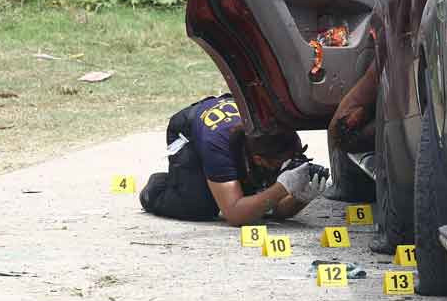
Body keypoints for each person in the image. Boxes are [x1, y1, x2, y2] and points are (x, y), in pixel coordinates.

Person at [140, 95, 327, 226]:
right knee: (201, 207)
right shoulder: (217, 146)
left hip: (240, 143)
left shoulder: (285, 142)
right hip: (189, 133)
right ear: (258, 159)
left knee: (253, 196)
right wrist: (281, 188)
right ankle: (158, 188)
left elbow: (274, 210)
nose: (285, 166)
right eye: (281, 163)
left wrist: (300, 198)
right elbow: (235, 215)